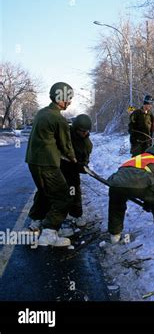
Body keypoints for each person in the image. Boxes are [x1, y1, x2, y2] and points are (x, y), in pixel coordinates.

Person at [25, 82, 77, 247]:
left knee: (44, 191)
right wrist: (74, 160)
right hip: (47, 164)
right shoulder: (58, 119)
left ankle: (36, 222)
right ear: (60, 98)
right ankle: (50, 233)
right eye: (68, 99)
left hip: (33, 162)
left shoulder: (42, 113)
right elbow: (66, 146)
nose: (69, 102)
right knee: (62, 197)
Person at [107, 146, 154, 243]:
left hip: (116, 184)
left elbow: (127, 177)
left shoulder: (132, 160)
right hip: (140, 185)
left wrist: (148, 202)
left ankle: (115, 236)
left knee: (116, 207)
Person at [60, 114, 93, 227]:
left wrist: (83, 166)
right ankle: (48, 217)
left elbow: (85, 159)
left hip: (73, 170)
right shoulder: (66, 135)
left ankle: (76, 214)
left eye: (87, 131)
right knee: (54, 192)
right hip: (60, 167)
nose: (85, 133)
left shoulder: (87, 143)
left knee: (73, 190)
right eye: (82, 131)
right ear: (75, 128)